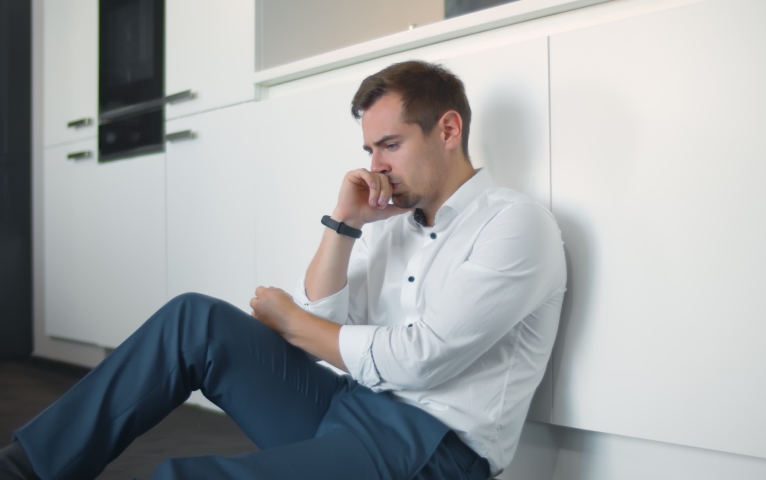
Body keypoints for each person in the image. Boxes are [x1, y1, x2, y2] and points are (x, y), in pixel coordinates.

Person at [0, 60, 566, 480]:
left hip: (431, 451)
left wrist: (291, 322)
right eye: (369, 149)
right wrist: (344, 223)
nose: (375, 167)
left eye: (389, 145)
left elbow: (419, 358)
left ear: (447, 131)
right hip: (349, 405)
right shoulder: (391, 220)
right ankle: (24, 469)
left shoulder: (515, 226)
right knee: (193, 321)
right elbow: (325, 316)